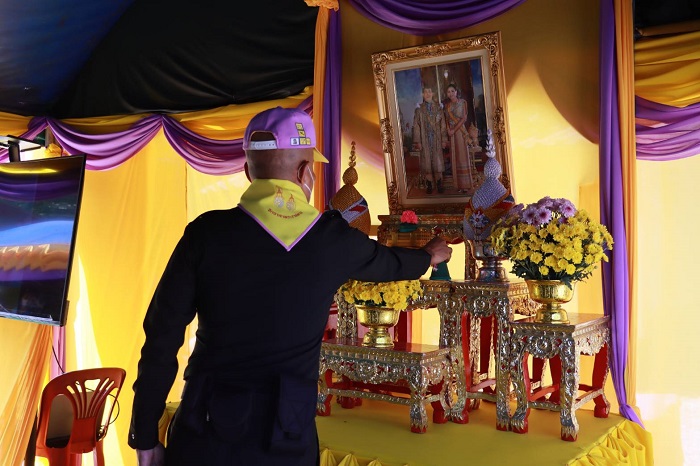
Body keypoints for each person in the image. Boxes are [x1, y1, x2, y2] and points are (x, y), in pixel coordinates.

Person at [129, 106, 452, 466]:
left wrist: (145, 434)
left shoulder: (205, 234)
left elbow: (161, 336)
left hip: (204, 432)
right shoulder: (332, 240)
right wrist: (429, 256)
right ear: (303, 173)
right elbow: (389, 262)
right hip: (285, 437)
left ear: (248, 171)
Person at [411, 86, 448, 194]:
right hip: (424, 139)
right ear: (423, 94)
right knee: (427, 163)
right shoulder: (419, 109)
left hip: (437, 139)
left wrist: (444, 139)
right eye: (425, 92)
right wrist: (418, 141)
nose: (427, 94)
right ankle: (430, 184)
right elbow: (416, 126)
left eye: (429, 92)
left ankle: (439, 184)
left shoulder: (438, 108)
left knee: (438, 161)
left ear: (432, 93)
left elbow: (443, 125)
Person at [444, 83, 474, 193]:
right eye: (448, 92)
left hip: (460, 133)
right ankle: (458, 185)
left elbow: (464, 119)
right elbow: (447, 120)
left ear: (456, 92)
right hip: (452, 134)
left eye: (452, 91)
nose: (451, 93)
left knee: (462, 157)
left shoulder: (462, 103)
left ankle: (465, 185)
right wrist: (448, 130)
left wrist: (453, 130)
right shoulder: (447, 106)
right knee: (455, 158)